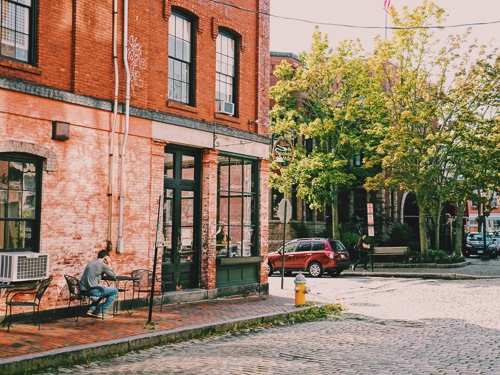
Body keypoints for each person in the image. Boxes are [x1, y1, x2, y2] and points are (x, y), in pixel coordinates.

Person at [79, 249, 118, 319]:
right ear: (105, 257)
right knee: (114, 291)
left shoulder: (91, 263)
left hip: (83, 290)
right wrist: (109, 263)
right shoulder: (102, 265)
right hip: (91, 290)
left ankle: (91, 309)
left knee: (103, 291)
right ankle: (102, 311)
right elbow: (114, 276)